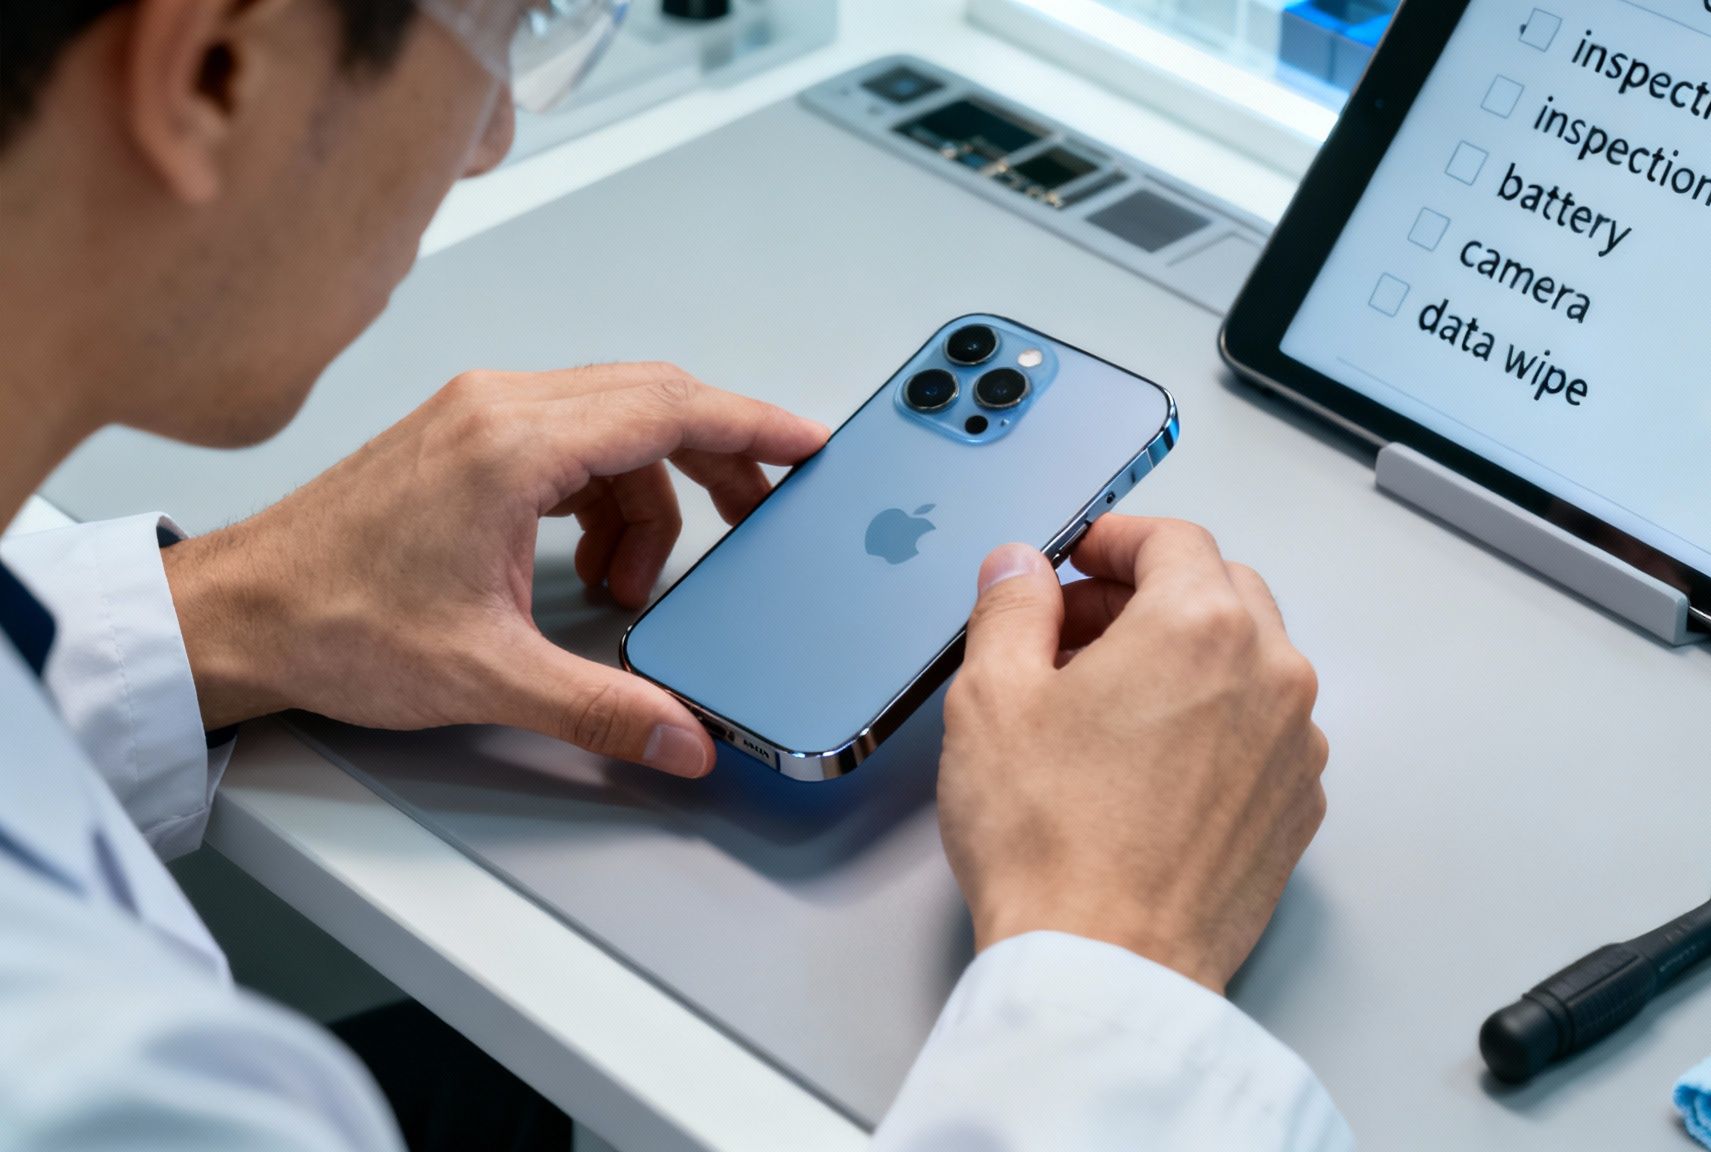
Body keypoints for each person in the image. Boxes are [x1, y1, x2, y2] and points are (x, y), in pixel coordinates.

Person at [0, 1, 1348, 1148]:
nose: (494, 141)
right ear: (215, 71)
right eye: (509, 28)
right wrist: (1115, 959)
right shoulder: (116, 1085)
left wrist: (205, 618)